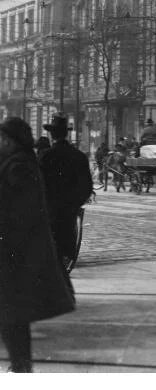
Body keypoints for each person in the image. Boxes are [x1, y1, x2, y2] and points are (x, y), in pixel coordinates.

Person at [0, 117, 75, 373]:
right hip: (15, 250)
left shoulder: (19, 166)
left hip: (15, 252)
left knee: (12, 315)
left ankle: (21, 368)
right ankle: (20, 366)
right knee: (11, 315)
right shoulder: (15, 162)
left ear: (9, 140)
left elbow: (20, 211)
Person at [38, 115, 94, 266]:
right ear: (66, 134)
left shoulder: (45, 156)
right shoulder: (79, 156)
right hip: (69, 212)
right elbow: (87, 187)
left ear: (52, 134)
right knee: (65, 254)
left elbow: (38, 184)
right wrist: (73, 203)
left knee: (50, 254)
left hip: (49, 211)